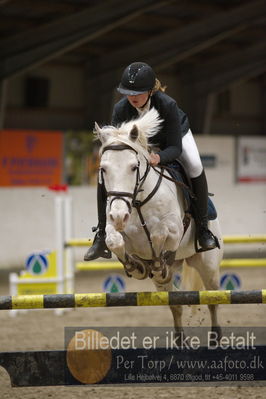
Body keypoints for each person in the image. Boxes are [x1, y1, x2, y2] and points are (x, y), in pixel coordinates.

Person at [84, 61, 217, 261]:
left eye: (137, 93)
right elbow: (122, 144)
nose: (132, 97)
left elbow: (175, 148)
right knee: (105, 175)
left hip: (174, 139)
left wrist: (159, 157)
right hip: (140, 145)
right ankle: (101, 234)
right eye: (128, 92)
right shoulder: (120, 109)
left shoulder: (167, 105)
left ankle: (203, 229)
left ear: (150, 91)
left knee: (195, 165)